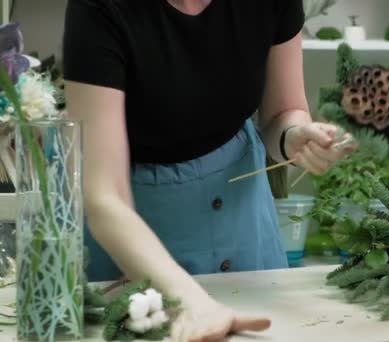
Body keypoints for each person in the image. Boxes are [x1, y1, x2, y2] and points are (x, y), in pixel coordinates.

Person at [62, 0, 354, 340]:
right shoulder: (100, 7)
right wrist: (189, 301)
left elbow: (283, 110)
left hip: (243, 223)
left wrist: (294, 136)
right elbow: (104, 197)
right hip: (135, 235)